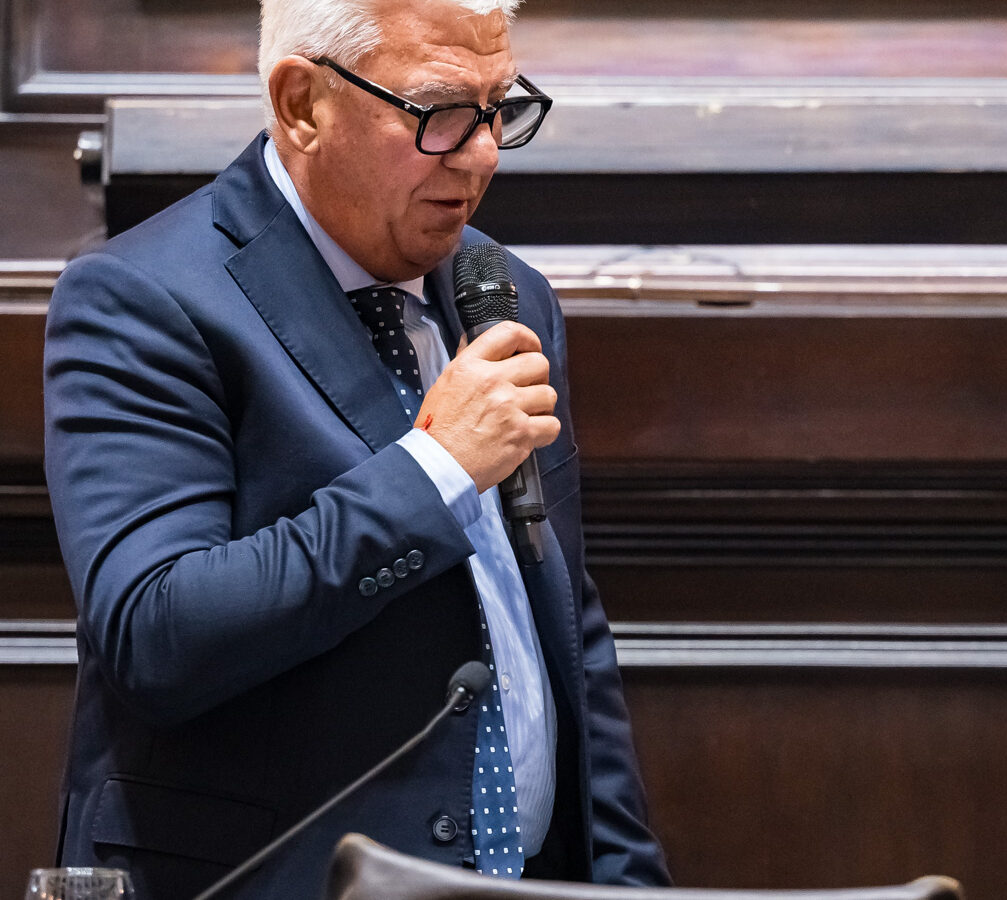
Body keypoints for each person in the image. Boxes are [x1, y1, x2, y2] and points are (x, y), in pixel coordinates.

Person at [42, 1, 667, 897]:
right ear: (303, 103)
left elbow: (561, 621)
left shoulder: (506, 292)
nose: (483, 153)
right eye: (440, 113)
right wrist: (436, 468)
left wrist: (626, 880)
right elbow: (157, 635)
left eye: (500, 107)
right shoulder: (141, 299)